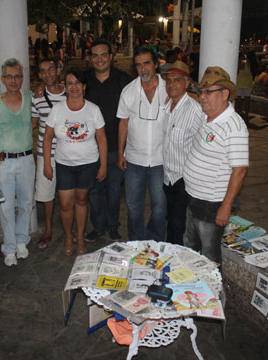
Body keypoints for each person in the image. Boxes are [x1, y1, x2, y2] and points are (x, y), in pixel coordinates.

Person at [183, 66, 249, 263]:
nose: (202, 96)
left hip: (212, 203)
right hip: (194, 195)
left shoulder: (234, 127)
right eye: (201, 91)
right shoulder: (208, 116)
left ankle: (213, 291)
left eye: (208, 92)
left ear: (224, 93)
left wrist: (226, 206)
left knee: (209, 255)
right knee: (190, 244)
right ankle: (193, 289)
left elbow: (240, 170)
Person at [43, 69, 107, 255]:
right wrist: (47, 163)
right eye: (70, 83)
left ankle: (79, 237)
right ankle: (68, 236)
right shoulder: (57, 109)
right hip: (64, 164)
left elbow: (101, 138)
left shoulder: (93, 110)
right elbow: (48, 137)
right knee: (65, 204)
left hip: (88, 163)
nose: (74, 87)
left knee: (81, 200)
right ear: (65, 87)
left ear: (84, 87)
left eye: (78, 83)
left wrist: (103, 165)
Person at [0, 58, 35, 267]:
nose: (13, 80)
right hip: (4, 162)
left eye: (17, 76)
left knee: (26, 203)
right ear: (2, 79)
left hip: (26, 159)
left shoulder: (30, 97)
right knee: (5, 207)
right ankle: (9, 247)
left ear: (22, 78)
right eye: (9, 76)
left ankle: (22, 241)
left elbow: (38, 119)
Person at [83, 40, 132, 242]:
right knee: (94, 193)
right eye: (95, 55)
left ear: (111, 56)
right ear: (90, 58)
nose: (99, 59)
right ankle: (99, 226)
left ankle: (113, 226)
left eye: (103, 54)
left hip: (115, 147)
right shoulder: (84, 80)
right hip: (90, 148)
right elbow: (64, 89)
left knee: (113, 192)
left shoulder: (124, 81)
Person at [117, 47, 168, 241]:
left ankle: (155, 239)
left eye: (147, 63)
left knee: (160, 206)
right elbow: (123, 122)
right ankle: (136, 242)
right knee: (133, 205)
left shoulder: (168, 90)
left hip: (160, 159)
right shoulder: (129, 91)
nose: (143, 69)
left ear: (156, 64)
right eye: (138, 65)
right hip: (134, 159)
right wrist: (121, 153)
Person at [162, 61, 205, 245]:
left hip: (184, 179)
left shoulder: (195, 111)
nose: (171, 84)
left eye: (177, 80)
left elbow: (204, 144)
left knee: (181, 226)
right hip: (167, 178)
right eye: (169, 80)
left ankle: (179, 264)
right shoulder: (166, 107)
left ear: (187, 83)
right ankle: (170, 258)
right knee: (171, 222)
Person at [31, 58, 66, 249]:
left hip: (69, 152)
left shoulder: (71, 93)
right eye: (43, 71)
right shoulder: (36, 97)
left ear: (58, 70)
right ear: (39, 75)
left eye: (51, 69)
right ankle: (49, 230)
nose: (48, 74)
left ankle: (71, 229)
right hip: (46, 154)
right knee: (46, 195)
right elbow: (33, 124)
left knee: (68, 193)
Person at [235, 55, 253, 124]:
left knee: (246, 101)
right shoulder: (245, 61)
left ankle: (245, 117)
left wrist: (242, 60)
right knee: (239, 100)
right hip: (240, 83)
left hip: (246, 83)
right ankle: (239, 115)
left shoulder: (247, 61)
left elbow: (240, 67)